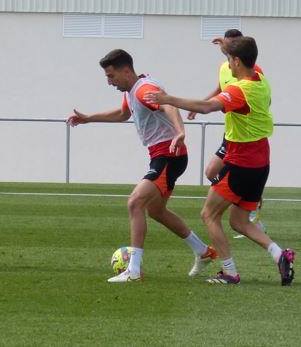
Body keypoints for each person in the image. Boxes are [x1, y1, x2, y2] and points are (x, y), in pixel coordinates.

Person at [144, 36, 295, 285]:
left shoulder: (239, 90)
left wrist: (168, 99)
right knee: (238, 221)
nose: (228, 65)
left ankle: (229, 272)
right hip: (261, 161)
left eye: (229, 59)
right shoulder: (262, 81)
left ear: (237, 61)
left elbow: (206, 107)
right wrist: (226, 45)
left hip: (242, 162)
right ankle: (279, 253)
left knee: (209, 214)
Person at [67, 49, 216, 283]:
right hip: (163, 155)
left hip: (169, 154)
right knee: (156, 211)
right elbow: (122, 113)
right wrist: (88, 118)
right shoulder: (132, 91)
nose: (109, 82)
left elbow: (169, 105)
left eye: (111, 76)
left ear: (126, 71)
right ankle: (203, 251)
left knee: (135, 202)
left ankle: (133, 271)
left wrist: (180, 132)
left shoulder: (145, 89)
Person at [188, 29, 266, 236]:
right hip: (231, 133)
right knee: (210, 172)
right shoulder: (225, 68)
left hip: (244, 136)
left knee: (221, 178)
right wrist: (201, 104)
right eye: (226, 44)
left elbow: (259, 98)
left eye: (230, 45)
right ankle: (242, 205)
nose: (226, 47)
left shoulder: (254, 71)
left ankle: (248, 211)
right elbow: (220, 90)